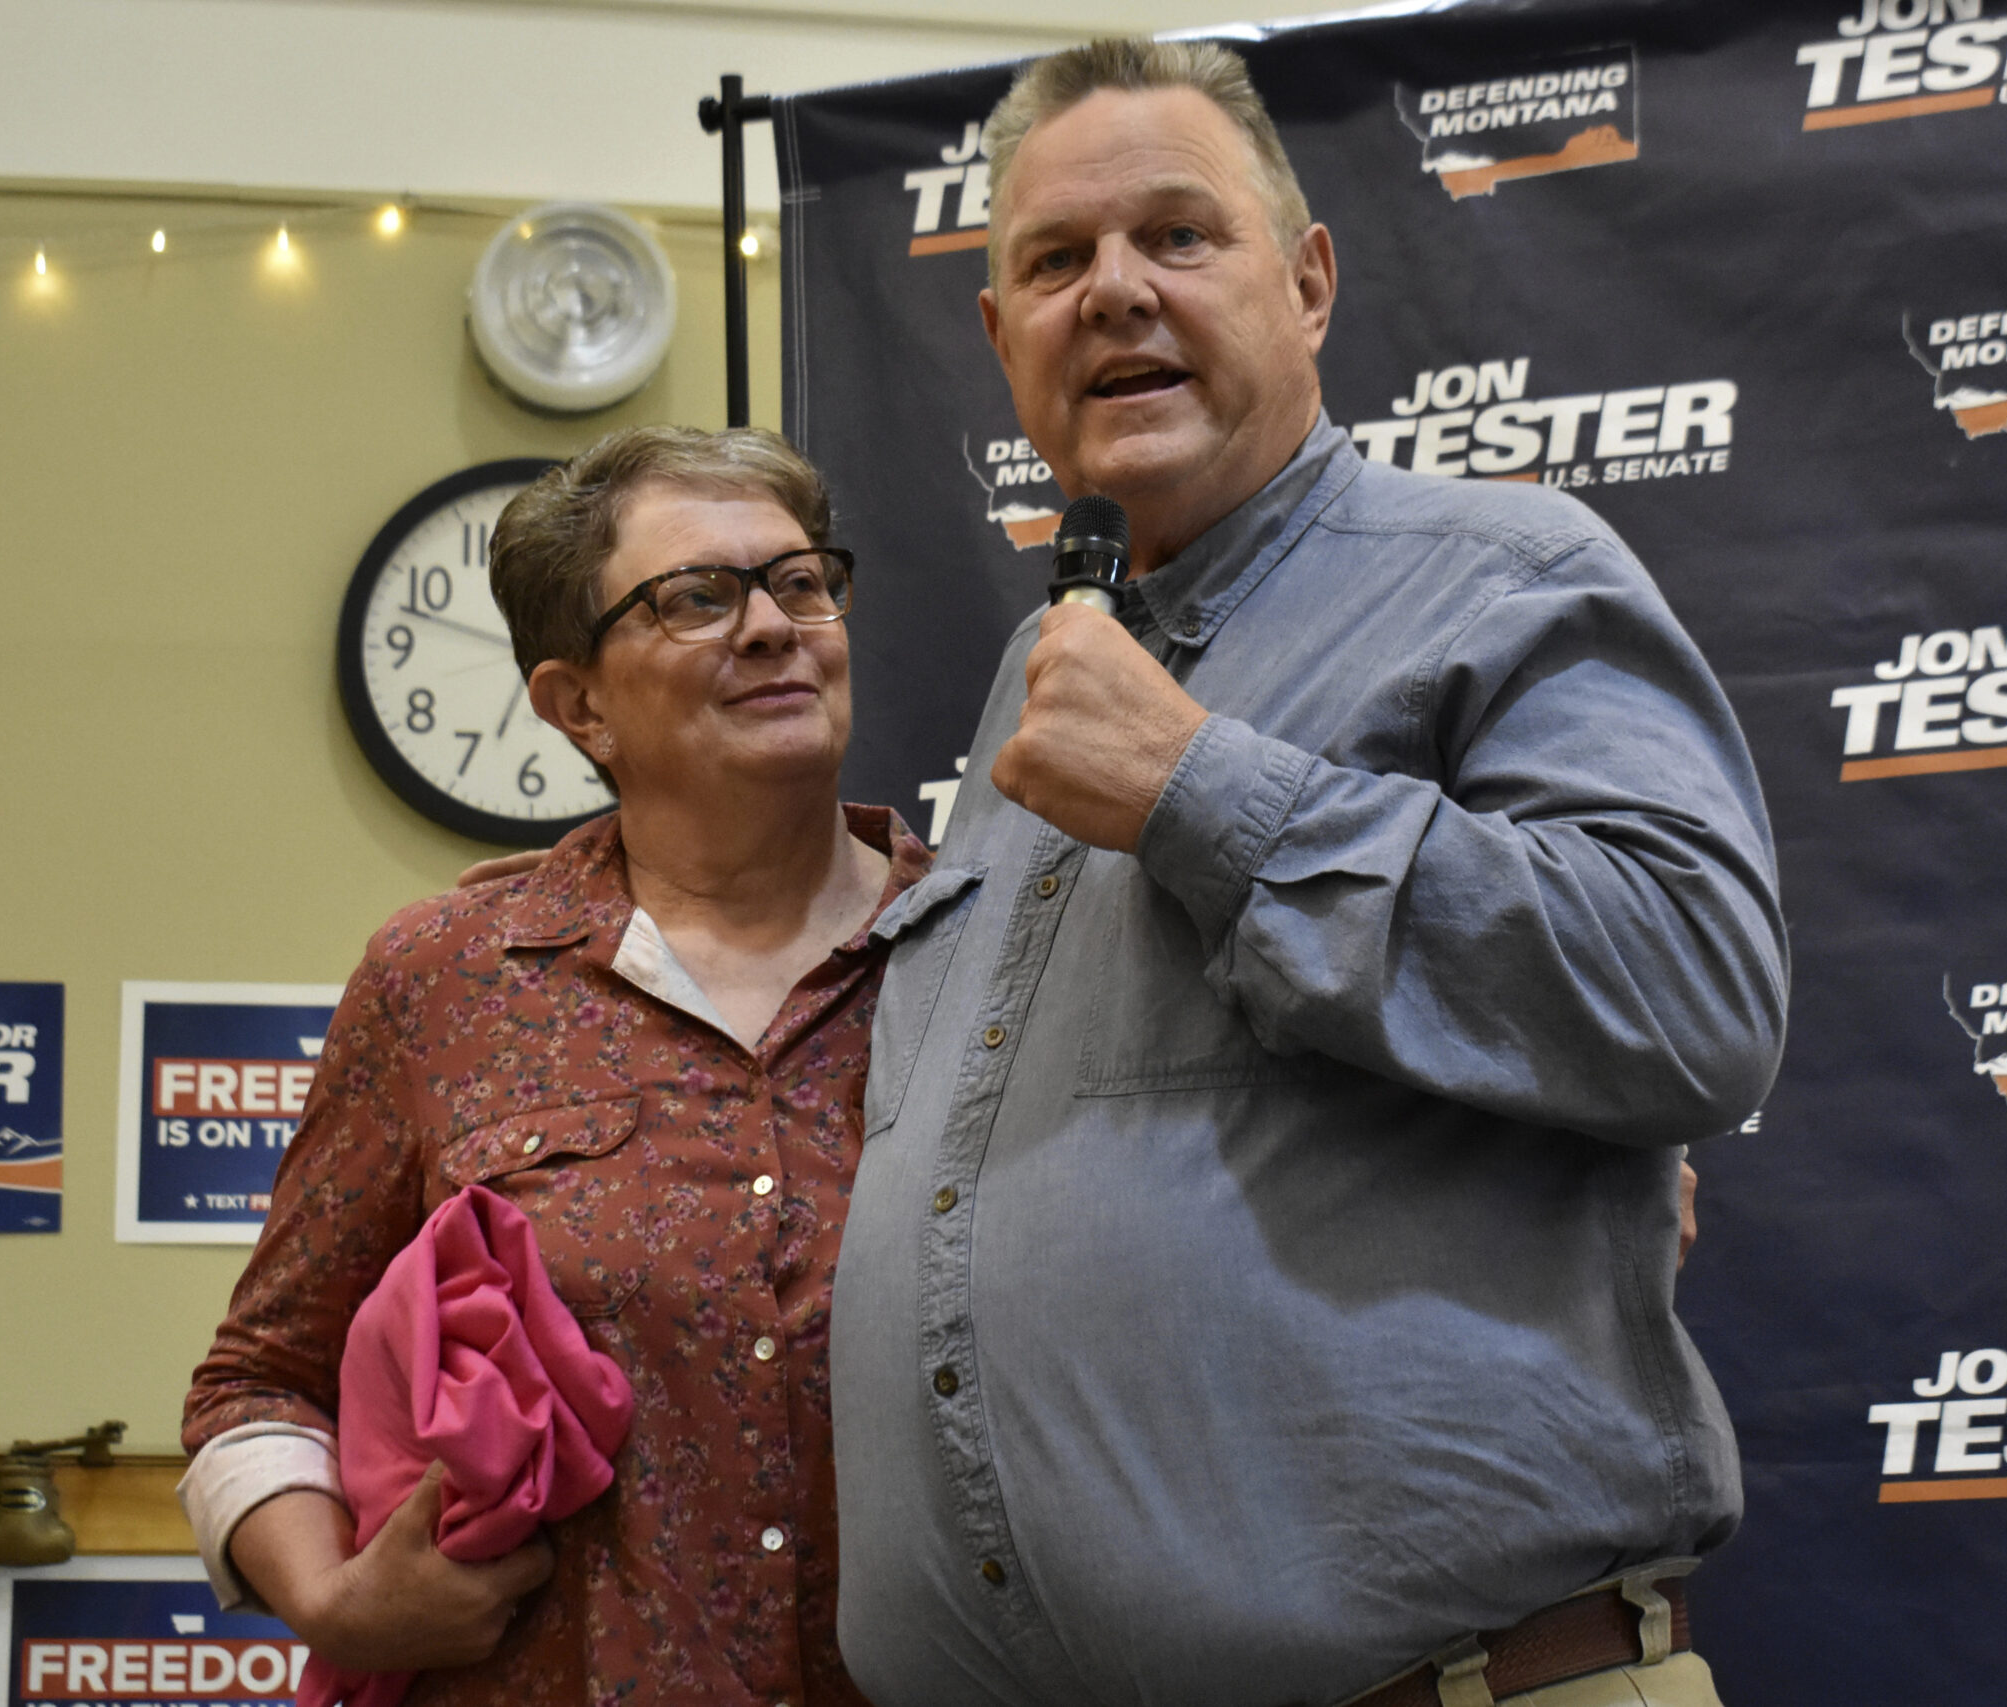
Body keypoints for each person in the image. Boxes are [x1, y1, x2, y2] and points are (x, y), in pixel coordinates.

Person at [829, 38, 1787, 1707]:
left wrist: (1202, 786)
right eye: (1055, 260)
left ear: (1309, 280)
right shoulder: (1037, 686)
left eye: (1178, 237)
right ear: (1000, 339)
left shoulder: (1503, 572)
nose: (1112, 291)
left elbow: (1692, 989)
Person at [181, 425, 924, 1707]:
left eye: (798, 582)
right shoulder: (447, 979)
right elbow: (259, 1381)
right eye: (696, 598)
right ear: (577, 704)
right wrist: (334, 1597)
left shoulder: (988, 954)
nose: (769, 626)